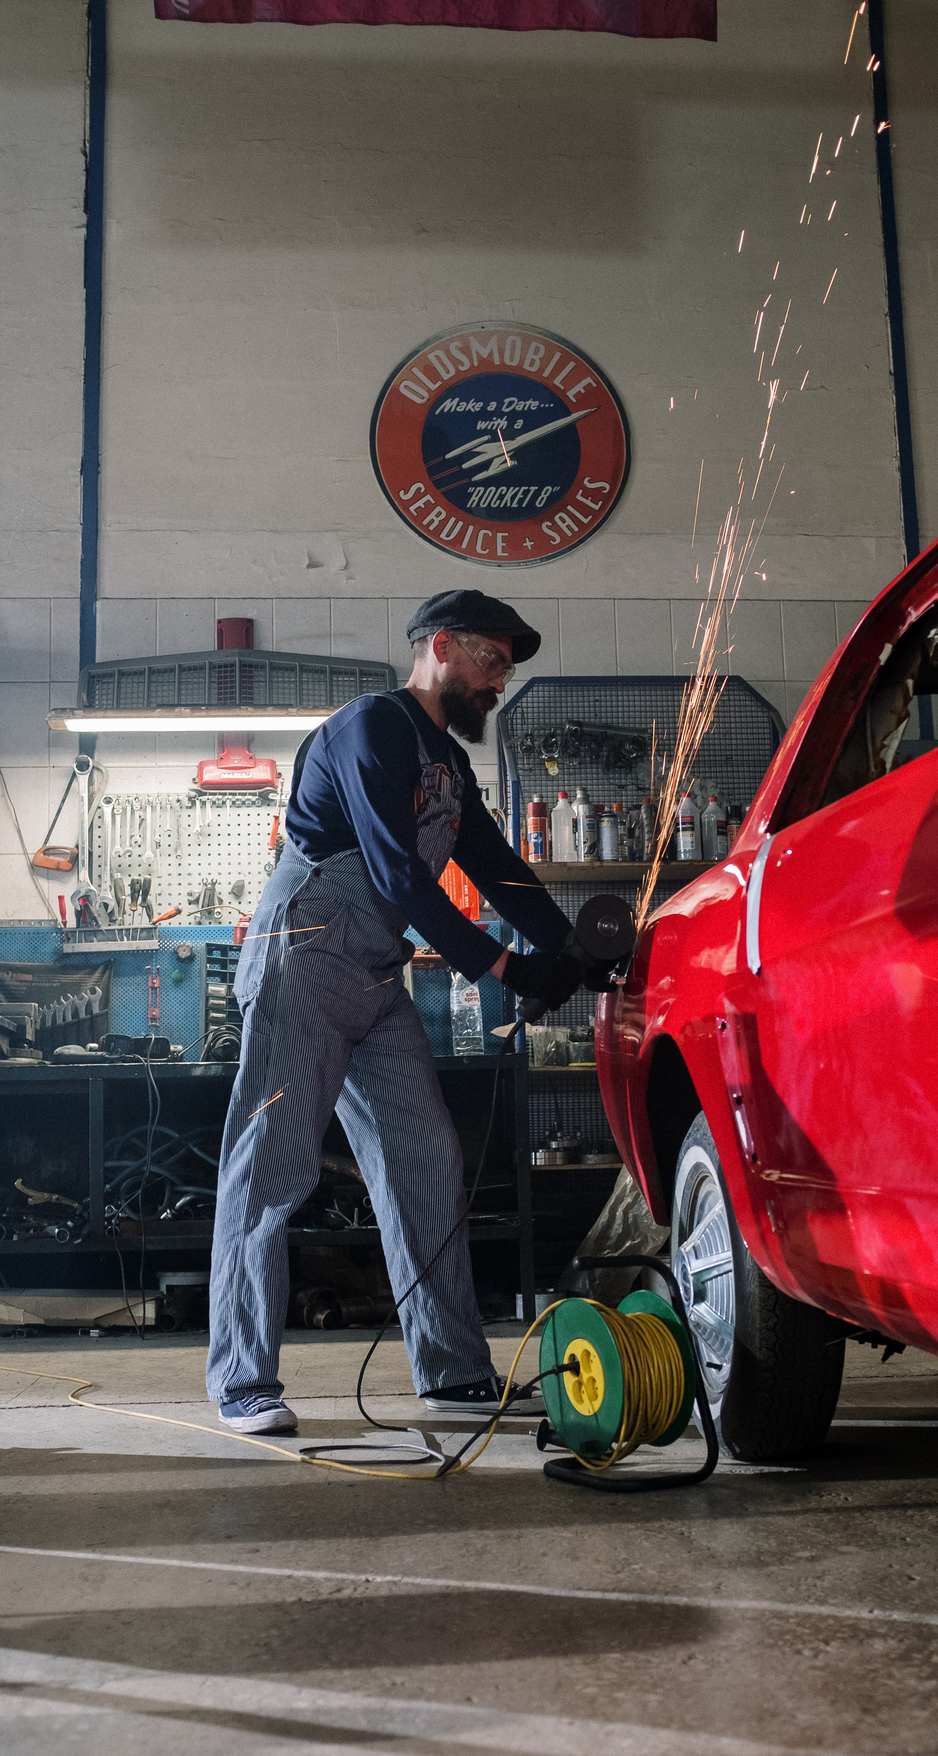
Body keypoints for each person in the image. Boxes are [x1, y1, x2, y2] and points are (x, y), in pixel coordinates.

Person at [206, 589, 583, 1433]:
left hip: (374, 971)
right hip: (305, 950)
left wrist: (578, 947)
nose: (498, 683)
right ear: (440, 647)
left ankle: (449, 1372)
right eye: (490, 662)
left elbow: (494, 866)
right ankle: (242, 1382)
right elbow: (393, 873)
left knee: (425, 1158)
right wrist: (501, 967)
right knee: (271, 1170)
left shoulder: (447, 764)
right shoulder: (370, 727)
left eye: (507, 671)